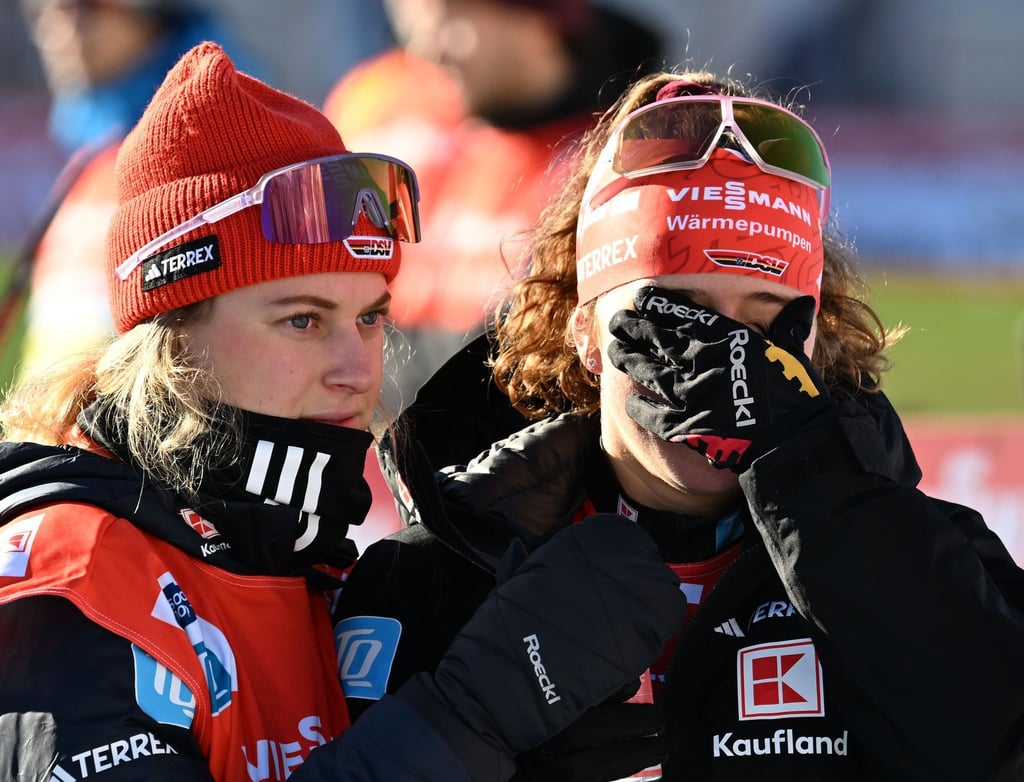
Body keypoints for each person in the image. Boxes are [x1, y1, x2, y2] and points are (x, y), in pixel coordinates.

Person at [0, 42, 687, 781]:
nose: (358, 372)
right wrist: (471, 717)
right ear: (173, 336)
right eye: (302, 320)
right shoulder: (72, 577)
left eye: (370, 318)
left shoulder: (290, 554)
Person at [333, 71, 1024, 779]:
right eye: (675, 315)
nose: (721, 363)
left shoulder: (938, 556)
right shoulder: (432, 572)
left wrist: (812, 475)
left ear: (813, 342)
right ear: (584, 332)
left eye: (762, 323)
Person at [323, 0, 668, 405]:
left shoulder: (622, 162)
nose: (426, 50)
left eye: (449, 23)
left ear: (538, 24)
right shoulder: (377, 100)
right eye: (413, 22)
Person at [7, 0, 260, 383]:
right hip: (59, 418)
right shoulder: (90, 158)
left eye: (83, 9)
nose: (56, 32)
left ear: (156, 14)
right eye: (44, 13)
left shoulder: (211, 157)